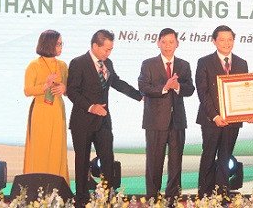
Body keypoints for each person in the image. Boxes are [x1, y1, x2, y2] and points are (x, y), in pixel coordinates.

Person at [67, 29, 143, 207]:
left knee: (108, 159)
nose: (108, 53)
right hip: (83, 121)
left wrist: (139, 95)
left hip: (103, 122)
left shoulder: (107, 63)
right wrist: (91, 107)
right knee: (82, 161)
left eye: (110, 49)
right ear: (95, 46)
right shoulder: (78, 63)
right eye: (106, 49)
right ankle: (82, 199)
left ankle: (108, 197)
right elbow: (72, 91)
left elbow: (116, 82)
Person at [138, 28, 195, 200]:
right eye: (164, 42)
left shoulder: (184, 65)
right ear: (158, 43)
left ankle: (173, 197)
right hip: (155, 121)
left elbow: (190, 89)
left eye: (171, 42)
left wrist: (177, 86)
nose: (167, 45)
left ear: (177, 44)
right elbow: (144, 87)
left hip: (177, 121)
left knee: (176, 162)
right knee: (154, 162)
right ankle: (152, 197)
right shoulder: (148, 64)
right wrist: (165, 87)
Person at [196, 25, 248, 198]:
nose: (227, 43)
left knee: (226, 158)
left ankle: (222, 195)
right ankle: (204, 196)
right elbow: (203, 92)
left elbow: (244, 92)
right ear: (214, 41)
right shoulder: (204, 62)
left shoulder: (241, 63)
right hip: (211, 119)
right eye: (222, 39)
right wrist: (215, 116)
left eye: (230, 39)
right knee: (209, 156)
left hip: (233, 120)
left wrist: (249, 113)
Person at [23, 29, 69, 185]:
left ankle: (58, 187)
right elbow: (27, 90)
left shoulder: (62, 65)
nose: (61, 47)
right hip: (40, 111)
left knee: (57, 149)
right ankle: (37, 187)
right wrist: (45, 85)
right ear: (49, 44)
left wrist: (64, 88)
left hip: (57, 111)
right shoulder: (34, 65)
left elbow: (69, 90)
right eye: (58, 44)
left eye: (61, 44)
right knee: (40, 149)